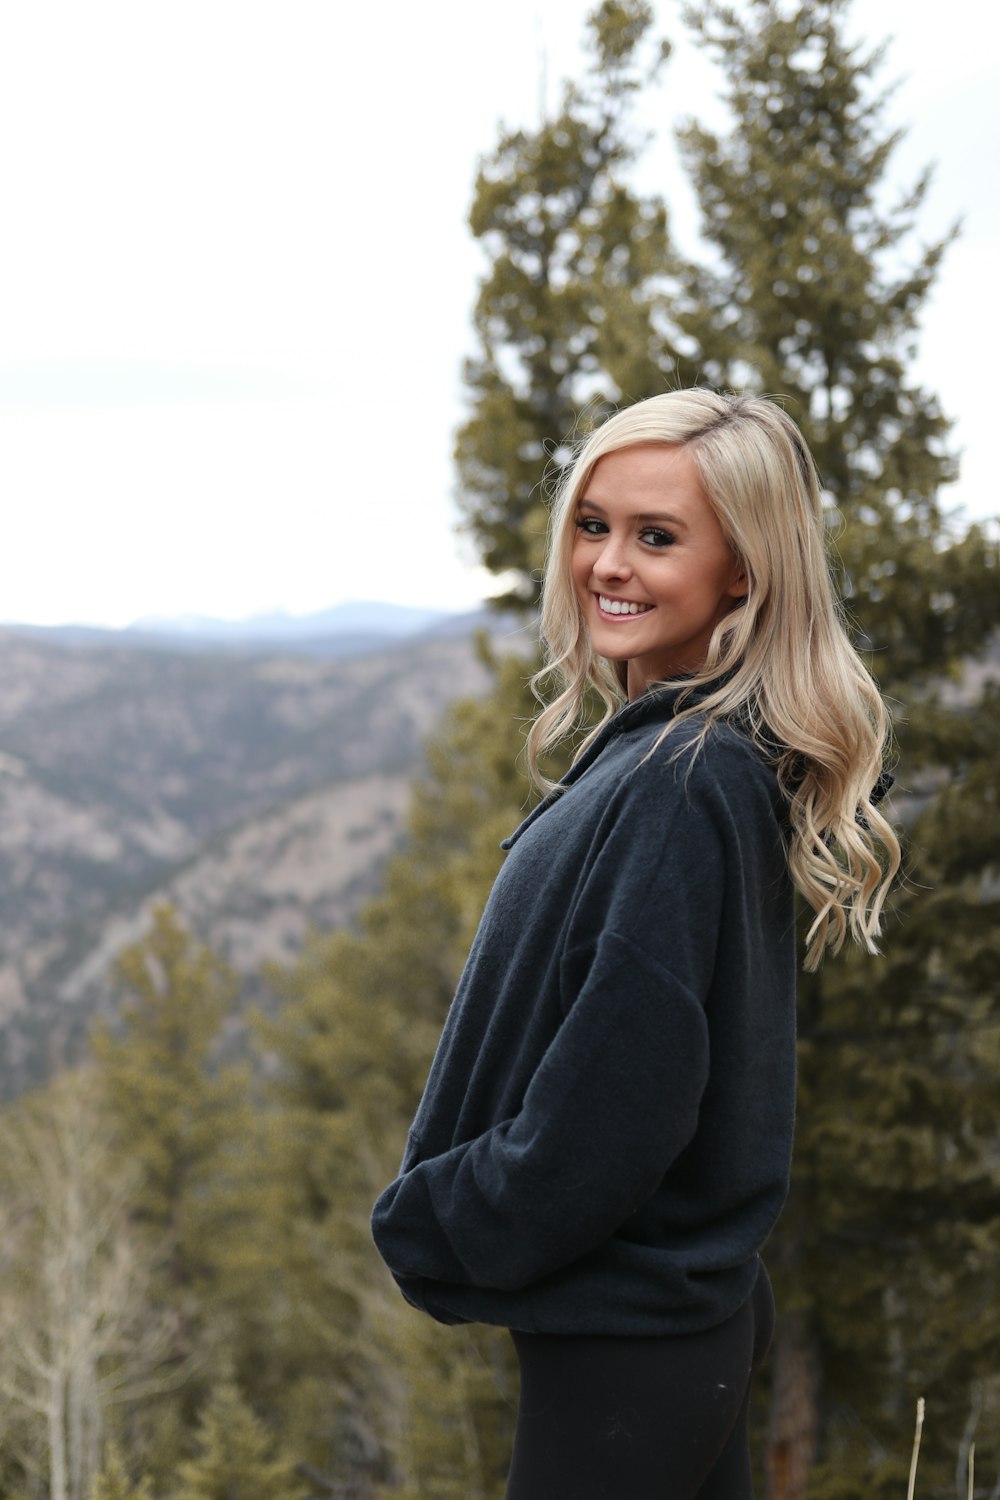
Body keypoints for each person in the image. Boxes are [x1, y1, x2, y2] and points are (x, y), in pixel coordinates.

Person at [370, 389, 900, 1499]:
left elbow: (627, 1086)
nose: (607, 563)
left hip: (633, 1347)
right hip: (666, 1328)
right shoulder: (680, 754)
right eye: (593, 523)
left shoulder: (683, 778)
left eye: (657, 537)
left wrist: (445, 1218)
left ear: (744, 569)